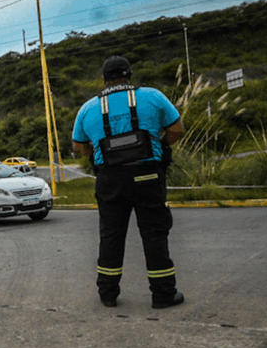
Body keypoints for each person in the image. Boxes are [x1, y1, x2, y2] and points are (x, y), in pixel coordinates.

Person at [71, 55, 186, 309]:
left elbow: (78, 146)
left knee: (111, 236)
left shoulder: (88, 109)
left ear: (103, 80)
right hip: (148, 177)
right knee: (154, 235)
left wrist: (95, 157)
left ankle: (108, 294)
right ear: (130, 75)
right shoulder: (153, 96)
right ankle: (163, 294)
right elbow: (177, 129)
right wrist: (161, 146)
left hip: (110, 180)